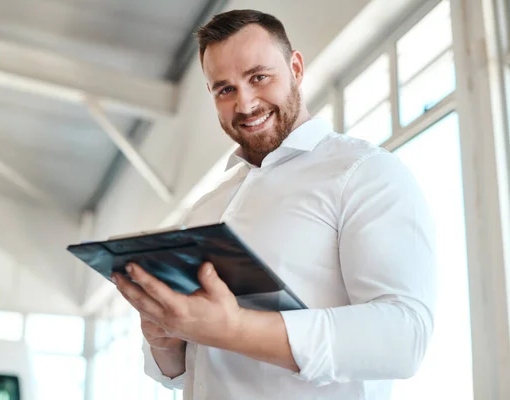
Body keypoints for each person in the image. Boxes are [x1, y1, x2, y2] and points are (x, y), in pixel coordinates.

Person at [111, 9, 436, 400]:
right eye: (224, 89)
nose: (245, 104)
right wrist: (166, 339)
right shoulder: (207, 206)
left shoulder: (364, 172)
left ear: (295, 67)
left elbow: (404, 336)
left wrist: (234, 329)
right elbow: (187, 371)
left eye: (258, 77)